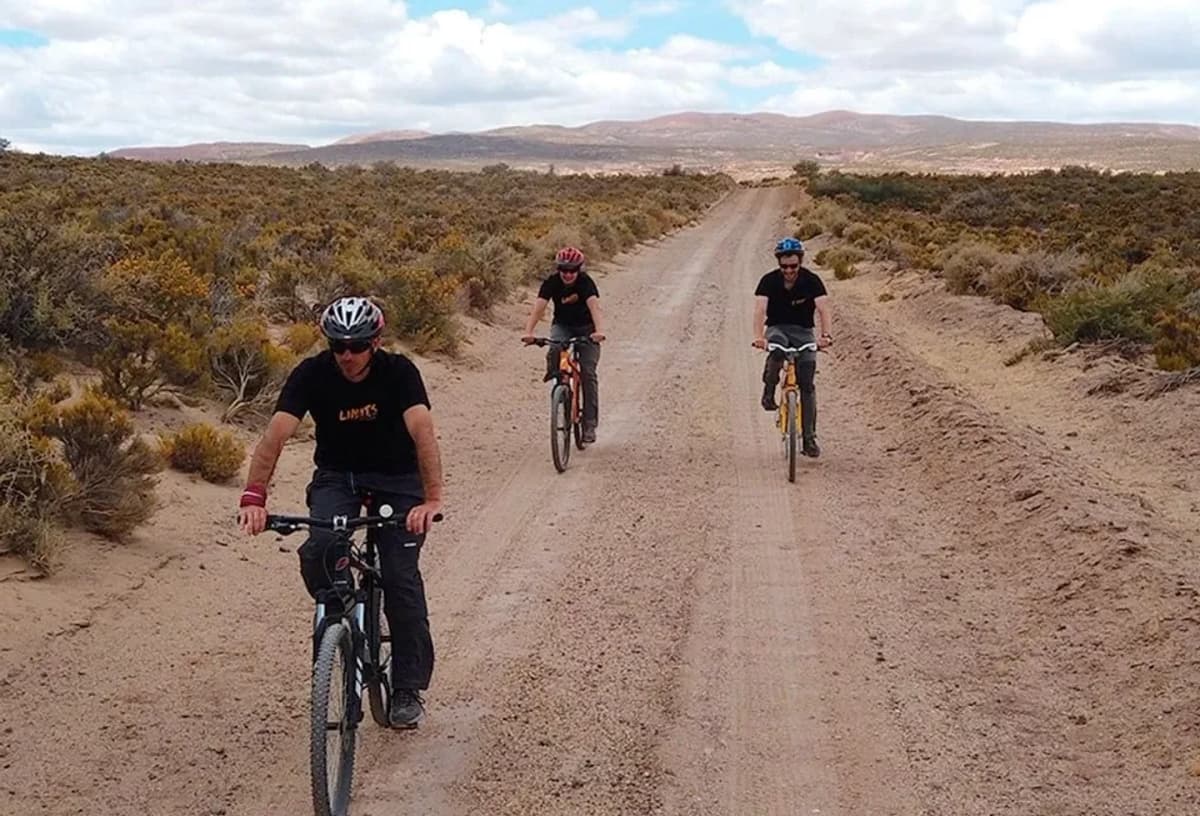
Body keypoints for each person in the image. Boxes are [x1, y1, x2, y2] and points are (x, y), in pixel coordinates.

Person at [237, 296, 444, 728]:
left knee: (400, 576)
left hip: (397, 480)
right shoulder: (312, 374)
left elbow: (423, 433)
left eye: (357, 345)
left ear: (376, 342)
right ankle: (339, 639)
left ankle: (407, 687)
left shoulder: (400, 373)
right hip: (338, 478)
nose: (347, 355)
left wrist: (431, 500)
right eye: (338, 346)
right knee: (321, 550)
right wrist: (254, 497)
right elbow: (275, 436)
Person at [752, 237, 833, 457]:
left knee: (807, 383)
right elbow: (760, 310)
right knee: (776, 350)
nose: (789, 270)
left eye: (793, 266)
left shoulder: (812, 280)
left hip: (803, 331)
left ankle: (809, 439)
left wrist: (825, 336)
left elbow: (823, 308)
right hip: (777, 328)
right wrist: (759, 336)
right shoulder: (768, 281)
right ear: (779, 263)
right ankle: (769, 390)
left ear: (800, 262)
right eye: (784, 266)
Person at [520, 246, 606, 444]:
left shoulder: (586, 283)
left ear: (579, 269)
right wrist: (529, 332)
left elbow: (595, 308)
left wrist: (599, 331)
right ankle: (558, 378)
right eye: (564, 270)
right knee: (555, 347)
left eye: (572, 270)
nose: (568, 274)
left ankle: (589, 424)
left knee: (588, 373)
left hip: (586, 328)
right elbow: (539, 308)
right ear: (558, 269)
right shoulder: (551, 282)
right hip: (563, 325)